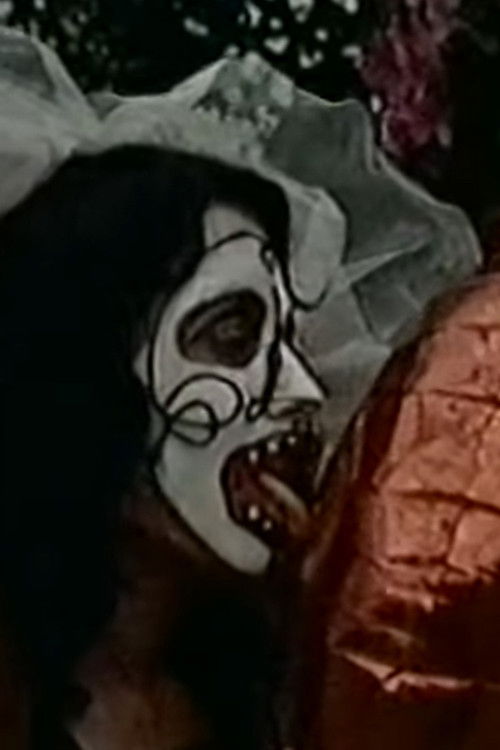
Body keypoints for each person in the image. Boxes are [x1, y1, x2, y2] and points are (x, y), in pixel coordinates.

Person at [0, 143, 326, 749]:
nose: (304, 390)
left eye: (287, 339)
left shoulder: (272, 685)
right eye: (233, 334)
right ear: (89, 378)